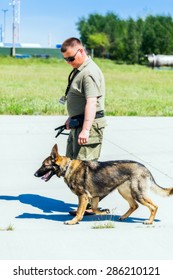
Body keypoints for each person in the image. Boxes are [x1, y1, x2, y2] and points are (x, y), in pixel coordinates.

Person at [60, 37, 106, 214]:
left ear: (81, 51)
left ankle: (89, 207)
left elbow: (91, 103)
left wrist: (86, 129)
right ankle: (87, 205)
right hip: (78, 123)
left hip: (89, 126)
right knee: (75, 164)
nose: (69, 62)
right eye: (66, 59)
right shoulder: (79, 70)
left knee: (86, 169)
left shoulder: (89, 72)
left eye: (71, 58)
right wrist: (71, 118)